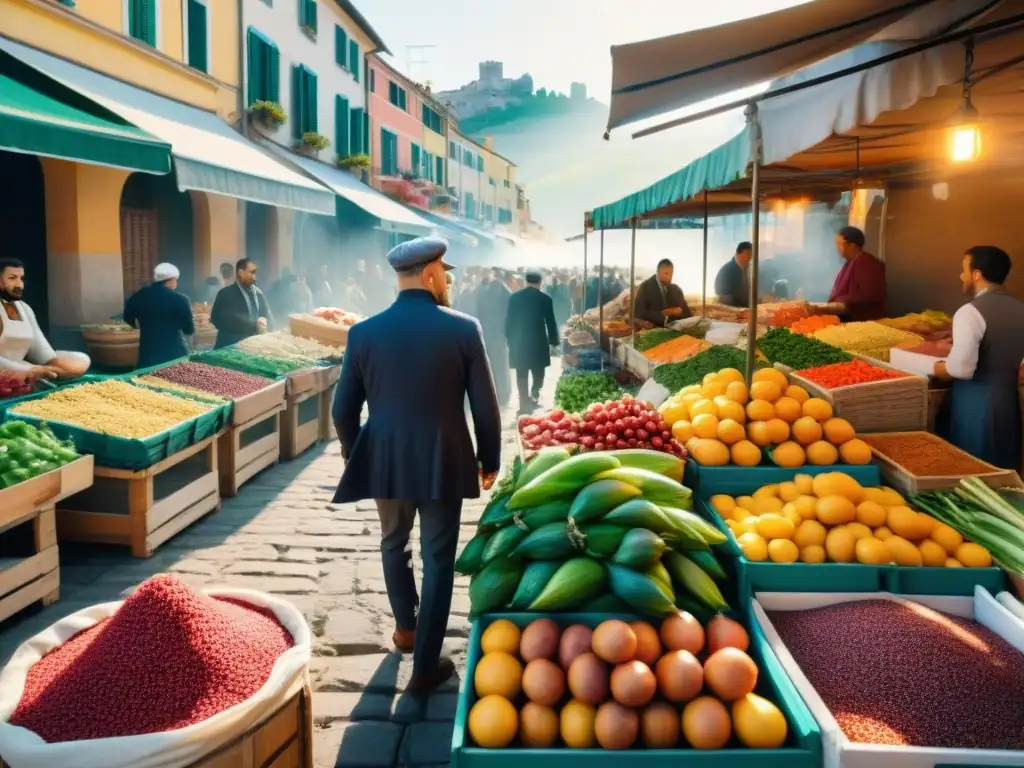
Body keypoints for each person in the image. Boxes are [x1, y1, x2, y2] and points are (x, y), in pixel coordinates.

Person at [332, 236, 501, 692]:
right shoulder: (464, 328)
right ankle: (426, 664)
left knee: (393, 543)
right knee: (439, 557)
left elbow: (342, 410)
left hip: (386, 457)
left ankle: (406, 628)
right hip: (445, 458)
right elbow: (485, 406)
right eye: (445, 270)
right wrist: (490, 458)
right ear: (430, 274)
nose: (447, 278)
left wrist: (356, 450)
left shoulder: (363, 332)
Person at [934, 246, 1024, 470]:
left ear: (977, 274)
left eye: (964, 269)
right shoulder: (1020, 308)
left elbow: (960, 369)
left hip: (974, 406)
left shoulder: (969, 312)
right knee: (1002, 472)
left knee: (972, 471)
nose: (961, 276)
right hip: (1008, 404)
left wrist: (929, 366)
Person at [0, 258, 90, 380]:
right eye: (12, 278)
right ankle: (33, 375)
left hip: (21, 367)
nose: (19, 285)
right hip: (7, 369)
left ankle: (37, 375)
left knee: (80, 360)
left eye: (21, 278)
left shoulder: (24, 308)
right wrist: (28, 370)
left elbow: (41, 349)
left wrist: (52, 364)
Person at [123, 263, 195, 368]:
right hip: (174, 354)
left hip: (148, 353)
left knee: (146, 380)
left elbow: (127, 318)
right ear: (172, 280)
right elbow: (189, 329)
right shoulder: (180, 299)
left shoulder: (138, 296)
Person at [506, 271, 560, 412]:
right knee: (538, 371)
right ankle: (535, 393)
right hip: (538, 340)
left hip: (519, 341)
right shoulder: (545, 298)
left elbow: (508, 320)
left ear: (526, 281)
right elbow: (551, 322)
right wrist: (554, 341)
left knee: (521, 372)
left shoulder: (514, 298)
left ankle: (523, 402)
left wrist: (509, 338)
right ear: (540, 282)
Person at [210, 258, 273, 348]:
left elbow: (268, 316)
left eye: (255, 273)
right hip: (229, 347)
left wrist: (266, 324)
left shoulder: (259, 293)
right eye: (251, 273)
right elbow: (219, 319)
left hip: (254, 346)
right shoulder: (225, 293)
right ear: (240, 272)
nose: (254, 277)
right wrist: (254, 325)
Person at [828, 226, 887, 321]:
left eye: (839, 244)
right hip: (849, 318)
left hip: (865, 321)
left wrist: (841, 301)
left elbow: (869, 294)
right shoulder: (850, 262)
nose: (837, 249)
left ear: (851, 245)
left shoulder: (867, 262)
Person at [475, 268, 512, 406]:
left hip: (497, 334)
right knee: (485, 366)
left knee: (499, 366)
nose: (483, 274)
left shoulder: (501, 287)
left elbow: (509, 307)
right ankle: (489, 395)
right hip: (483, 333)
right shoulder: (478, 288)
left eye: (486, 271)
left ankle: (502, 396)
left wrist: (505, 328)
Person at [634, 258, 691, 326]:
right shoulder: (645, 287)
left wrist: (680, 312)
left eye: (671, 274)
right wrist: (662, 314)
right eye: (666, 274)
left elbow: (688, 314)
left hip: (677, 329)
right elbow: (638, 313)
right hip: (654, 330)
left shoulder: (676, 289)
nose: (669, 277)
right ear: (658, 272)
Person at [714, 242, 752, 307]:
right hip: (732, 311)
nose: (750, 257)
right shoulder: (726, 270)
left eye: (751, 254)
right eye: (748, 254)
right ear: (738, 254)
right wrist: (741, 305)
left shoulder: (750, 268)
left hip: (747, 309)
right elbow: (722, 294)